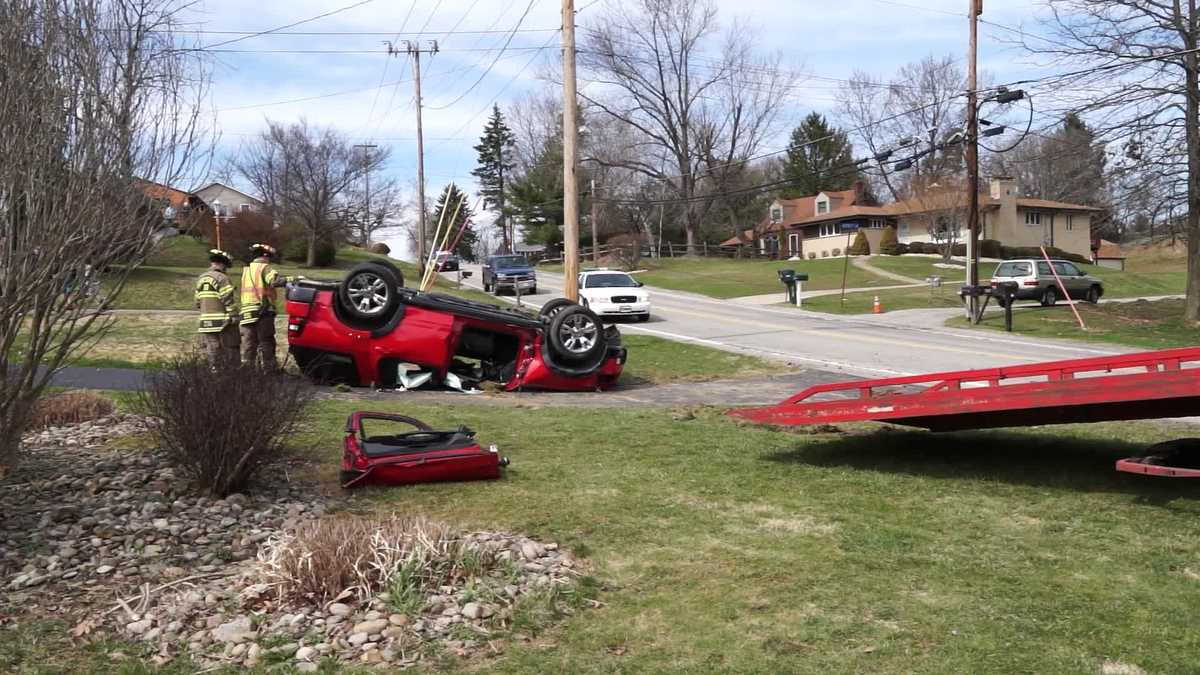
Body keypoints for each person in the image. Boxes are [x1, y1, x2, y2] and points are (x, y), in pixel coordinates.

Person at [239, 243, 295, 371]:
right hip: (262, 311)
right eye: (269, 257)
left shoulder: (246, 270)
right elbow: (275, 281)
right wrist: (293, 279)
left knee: (249, 343)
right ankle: (270, 370)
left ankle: (247, 370)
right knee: (266, 341)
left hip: (247, 312)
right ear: (265, 256)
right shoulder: (264, 268)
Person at [195, 249, 239, 367]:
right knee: (229, 347)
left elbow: (197, 302)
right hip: (222, 321)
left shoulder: (201, 278)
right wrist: (234, 315)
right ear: (223, 264)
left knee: (212, 347)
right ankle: (231, 373)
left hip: (205, 321)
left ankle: (214, 369)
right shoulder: (222, 278)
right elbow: (228, 299)